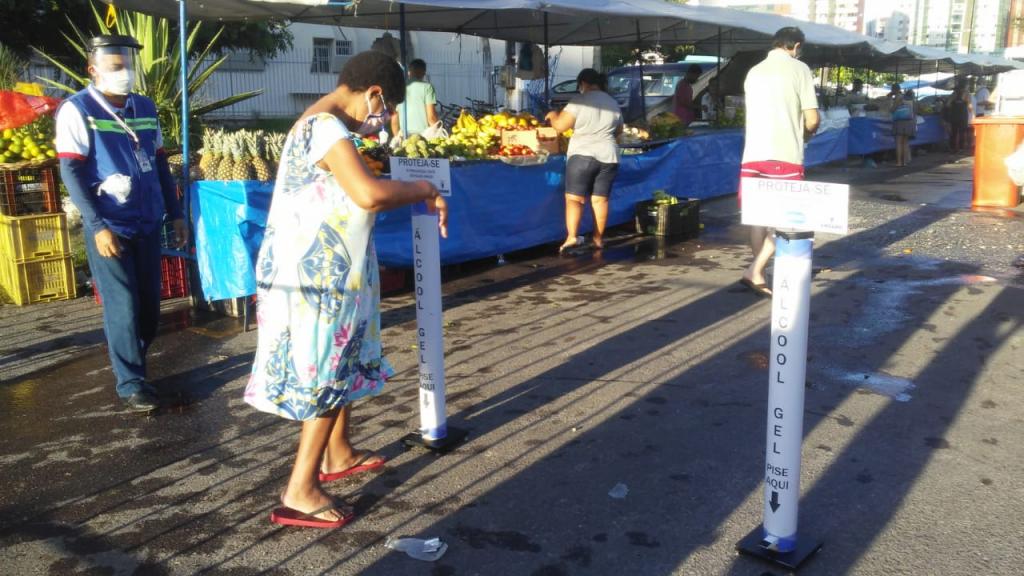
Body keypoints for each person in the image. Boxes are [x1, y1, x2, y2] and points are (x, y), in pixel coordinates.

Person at [245, 50, 447, 529]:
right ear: (374, 94)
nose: (381, 121)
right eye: (385, 109)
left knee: (344, 359)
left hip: (332, 271)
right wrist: (425, 190)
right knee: (328, 372)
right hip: (316, 277)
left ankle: (338, 453)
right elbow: (368, 194)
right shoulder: (326, 127)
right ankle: (300, 488)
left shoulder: (319, 122)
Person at [56, 35, 188, 413]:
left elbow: (159, 162)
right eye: (115, 67)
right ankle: (130, 382)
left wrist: (175, 212)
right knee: (123, 305)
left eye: (127, 65)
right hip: (110, 225)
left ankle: (132, 363)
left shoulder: (144, 107)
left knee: (149, 309)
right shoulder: (77, 110)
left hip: (147, 221)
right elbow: (71, 171)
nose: (124, 72)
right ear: (93, 69)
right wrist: (97, 225)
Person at [738, 27, 819, 297]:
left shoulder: (754, 71)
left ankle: (759, 271)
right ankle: (755, 269)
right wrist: (807, 133)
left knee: (758, 218)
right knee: (787, 218)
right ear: (796, 46)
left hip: (753, 155)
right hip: (785, 154)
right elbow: (812, 119)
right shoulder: (800, 69)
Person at [545, 68, 623, 253]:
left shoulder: (579, 101)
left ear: (583, 83)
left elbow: (560, 127)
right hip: (609, 156)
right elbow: (619, 131)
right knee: (600, 200)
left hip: (582, 154)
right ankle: (598, 239)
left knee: (575, 199)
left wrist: (553, 116)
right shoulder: (612, 102)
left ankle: (572, 237)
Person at [390, 58, 438, 138]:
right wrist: (439, 133)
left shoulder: (399, 87)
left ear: (409, 72)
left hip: (404, 135)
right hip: (423, 136)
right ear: (424, 72)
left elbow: (394, 116)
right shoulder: (427, 87)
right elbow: (431, 117)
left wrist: (397, 137)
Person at [891, 88, 916, 167]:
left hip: (899, 122)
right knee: (905, 143)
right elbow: (914, 113)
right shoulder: (913, 101)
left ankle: (899, 162)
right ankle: (904, 162)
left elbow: (892, 110)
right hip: (909, 123)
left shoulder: (899, 100)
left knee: (898, 143)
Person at [947, 82, 971, 153]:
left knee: (954, 133)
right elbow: (969, 106)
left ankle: (953, 148)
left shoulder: (953, 95)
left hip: (954, 116)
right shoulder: (966, 94)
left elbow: (947, 104)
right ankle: (960, 149)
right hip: (962, 116)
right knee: (962, 133)